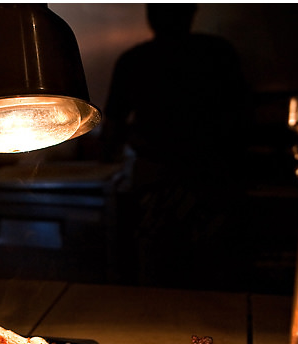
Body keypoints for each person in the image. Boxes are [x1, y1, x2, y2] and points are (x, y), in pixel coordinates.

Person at [102, 4, 251, 288]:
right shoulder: (217, 53)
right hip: (210, 178)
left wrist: (108, 156)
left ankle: (166, 325)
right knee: (209, 275)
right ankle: (202, 330)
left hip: (165, 181)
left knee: (162, 271)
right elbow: (242, 116)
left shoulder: (135, 60)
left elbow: (114, 126)